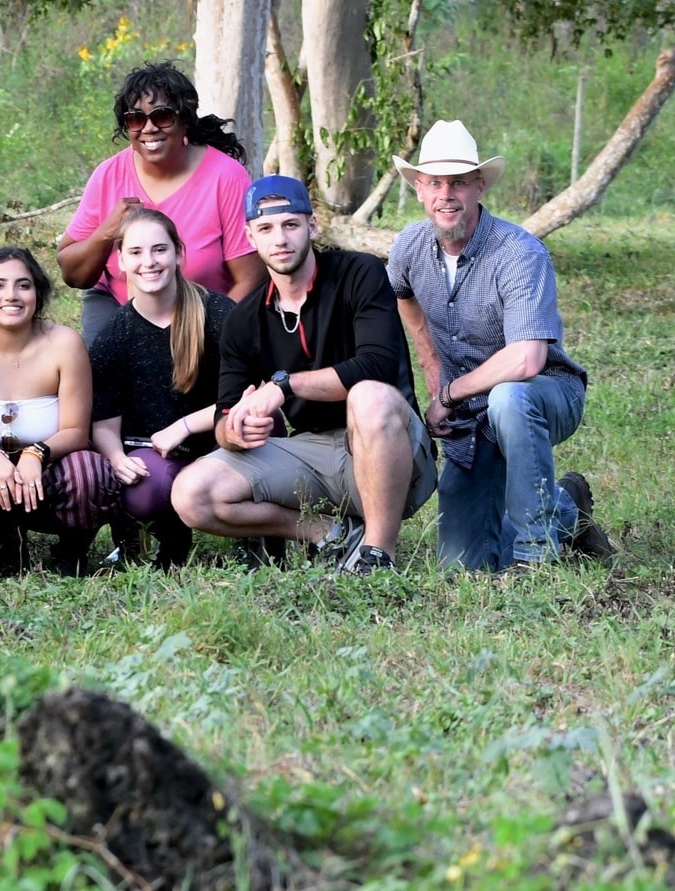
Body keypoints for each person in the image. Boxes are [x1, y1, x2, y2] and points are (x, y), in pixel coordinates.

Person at [171, 175, 437, 574]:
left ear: (311, 227)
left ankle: (378, 555)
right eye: (266, 229)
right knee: (191, 494)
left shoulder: (359, 273)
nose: (280, 239)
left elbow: (378, 365)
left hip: (389, 447)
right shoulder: (244, 320)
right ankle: (329, 532)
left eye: (290, 225)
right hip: (311, 451)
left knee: (368, 395)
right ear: (250, 237)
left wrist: (284, 385)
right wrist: (235, 430)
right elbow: (226, 414)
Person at [387, 120, 616, 570]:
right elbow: (403, 297)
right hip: (471, 414)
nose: (445, 194)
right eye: (434, 182)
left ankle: (537, 556)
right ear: (418, 189)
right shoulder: (409, 247)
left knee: (510, 398)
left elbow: (527, 359)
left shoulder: (518, 252)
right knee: (460, 563)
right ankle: (568, 507)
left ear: (478, 186)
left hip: (544, 393)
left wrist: (450, 393)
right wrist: (432, 366)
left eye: (457, 183)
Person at [0, 247, 119, 574]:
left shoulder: (64, 342)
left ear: (38, 293)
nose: (11, 295)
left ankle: (71, 551)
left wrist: (36, 453)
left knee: (91, 471)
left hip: (48, 473)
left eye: (23, 285)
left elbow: (76, 431)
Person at [56, 61, 263, 347]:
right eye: (136, 119)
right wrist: (107, 233)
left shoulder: (225, 177)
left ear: (185, 119)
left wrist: (208, 332)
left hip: (202, 315)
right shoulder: (108, 175)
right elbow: (72, 273)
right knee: (99, 376)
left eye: (162, 116)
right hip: (118, 305)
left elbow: (251, 280)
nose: (149, 128)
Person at [90, 209, 232, 569]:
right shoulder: (115, 334)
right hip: (157, 455)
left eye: (159, 250)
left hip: (221, 443)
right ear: (120, 260)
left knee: (261, 425)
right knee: (143, 491)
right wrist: (117, 458)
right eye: (135, 253)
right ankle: (167, 540)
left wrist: (185, 425)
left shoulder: (217, 313)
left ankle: (263, 539)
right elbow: (104, 422)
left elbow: (253, 392)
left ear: (179, 254)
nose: (148, 262)